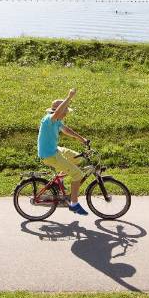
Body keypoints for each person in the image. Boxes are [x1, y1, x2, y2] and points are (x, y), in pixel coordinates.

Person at [37, 88, 90, 216]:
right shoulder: (49, 119)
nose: (66, 113)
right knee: (77, 175)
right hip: (49, 155)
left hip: (55, 150)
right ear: (60, 110)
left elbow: (66, 130)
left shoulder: (58, 121)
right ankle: (74, 204)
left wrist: (81, 139)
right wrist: (69, 97)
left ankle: (57, 181)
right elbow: (57, 113)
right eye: (65, 110)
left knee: (77, 158)